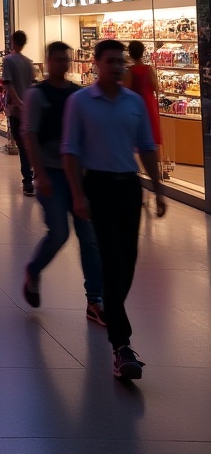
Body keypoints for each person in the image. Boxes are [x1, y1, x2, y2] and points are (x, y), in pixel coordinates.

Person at [62, 39, 166, 380]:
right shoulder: (80, 102)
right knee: (111, 259)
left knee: (128, 261)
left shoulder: (133, 103)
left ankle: (110, 310)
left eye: (120, 62)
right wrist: (77, 194)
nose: (117, 67)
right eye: (110, 62)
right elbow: (71, 150)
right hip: (97, 187)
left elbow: (148, 147)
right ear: (96, 63)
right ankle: (121, 345)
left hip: (128, 187)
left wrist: (158, 189)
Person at [20, 41, 104, 326]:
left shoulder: (78, 95)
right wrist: (40, 174)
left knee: (89, 237)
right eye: (56, 60)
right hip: (52, 174)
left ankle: (95, 298)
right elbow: (29, 134)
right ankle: (34, 270)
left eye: (65, 60)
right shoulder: (37, 95)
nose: (62, 65)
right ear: (47, 61)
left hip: (77, 175)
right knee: (58, 233)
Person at [1, 30, 36, 195]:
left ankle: (27, 180)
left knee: (22, 144)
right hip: (29, 107)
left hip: (16, 109)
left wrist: (17, 102)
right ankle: (32, 174)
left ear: (13, 41)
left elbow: (8, 83)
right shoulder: (29, 63)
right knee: (28, 143)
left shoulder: (8, 60)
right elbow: (32, 84)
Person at [123, 40, 163, 169]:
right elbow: (156, 86)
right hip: (149, 103)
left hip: (136, 105)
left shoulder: (130, 71)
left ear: (129, 53)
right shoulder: (148, 69)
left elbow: (126, 89)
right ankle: (156, 164)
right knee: (151, 133)